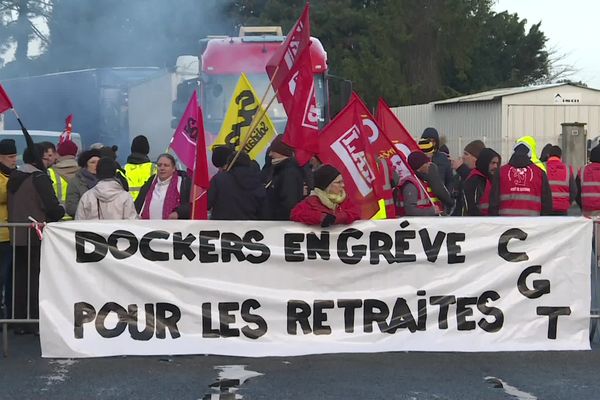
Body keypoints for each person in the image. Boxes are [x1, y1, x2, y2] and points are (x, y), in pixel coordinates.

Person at [8, 143, 64, 334]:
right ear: (38, 158)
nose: (49, 159)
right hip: (35, 234)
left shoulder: (15, 176)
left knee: (19, 279)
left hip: (17, 234)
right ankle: (34, 320)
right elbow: (52, 208)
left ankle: (19, 321)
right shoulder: (39, 178)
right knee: (36, 279)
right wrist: (60, 211)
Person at [489, 143, 552, 216]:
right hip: (532, 224)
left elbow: (493, 202)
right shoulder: (539, 173)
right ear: (529, 156)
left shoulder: (501, 172)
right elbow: (547, 203)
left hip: (506, 224)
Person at [291, 165, 360, 226]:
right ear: (327, 186)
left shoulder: (346, 200)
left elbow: (356, 213)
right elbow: (295, 215)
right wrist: (321, 217)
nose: (343, 185)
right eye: (338, 182)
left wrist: (337, 218)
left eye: (342, 181)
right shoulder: (311, 202)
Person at [208, 152, 265, 220]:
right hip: (249, 226)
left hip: (222, 226)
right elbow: (263, 208)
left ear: (229, 162)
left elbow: (207, 203)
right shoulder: (258, 181)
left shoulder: (218, 179)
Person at [135, 153, 191, 219]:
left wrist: (178, 213)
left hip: (174, 227)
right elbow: (137, 206)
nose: (162, 168)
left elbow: (192, 205)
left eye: (166, 165)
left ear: (173, 168)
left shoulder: (183, 183)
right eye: (159, 165)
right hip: (148, 227)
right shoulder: (150, 183)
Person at [262, 135, 304, 220]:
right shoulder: (280, 170)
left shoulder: (289, 173)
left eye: (273, 151)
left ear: (282, 152)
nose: (270, 154)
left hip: (280, 226)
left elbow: (289, 204)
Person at [394, 151, 442, 216]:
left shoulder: (421, 181)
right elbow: (410, 211)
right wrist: (432, 211)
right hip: (413, 224)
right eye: (426, 162)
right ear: (420, 165)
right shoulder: (410, 185)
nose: (429, 164)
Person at [0, 139, 16, 319]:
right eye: (10, 157)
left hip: (12, 234)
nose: (14, 160)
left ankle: (11, 315)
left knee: (12, 279)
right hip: (2, 234)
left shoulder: (13, 174)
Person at [452, 140, 486, 215]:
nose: (463, 157)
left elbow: (473, 181)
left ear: (475, 158)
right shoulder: (460, 176)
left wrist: (460, 169)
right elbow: (459, 205)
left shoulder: (482, 176)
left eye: (466, 154)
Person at [463, 148, 500, 216]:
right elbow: (471, 207)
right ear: (485, 162)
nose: (495, 166)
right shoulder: (475, 180)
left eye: (497, 163)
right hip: (479, 222)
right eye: (493, 163)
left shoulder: (491, 179)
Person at [65, 149, 101, 217]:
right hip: (84, 223)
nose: (96, 165)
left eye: (99, 162)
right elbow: (71, 208)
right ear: (85, 165)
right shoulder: (75, 182)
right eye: (92, 162)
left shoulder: (105, 181)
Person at [48, 138, 80, 209]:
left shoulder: (49, 172)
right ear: (75, 153)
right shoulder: (83, 173)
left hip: (56, 217)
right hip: (78, 216)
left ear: (58, 153)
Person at [421, 127, 453, 193]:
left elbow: (450, 180)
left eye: (433, 141)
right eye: (428, 140)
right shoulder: (418, 157)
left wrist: (448, 194)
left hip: (441, 198)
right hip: (425, 196)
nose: (431, 143)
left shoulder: (443, 158)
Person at [546, 145, 575, 216]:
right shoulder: (567, 169)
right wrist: (567, 202)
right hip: (562, 208)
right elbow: (573, 190)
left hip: (546, 207)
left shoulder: (543, 167)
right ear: (560, 156)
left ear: (548, 155)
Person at [124, 135, 155, 201]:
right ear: (147, 149)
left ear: (132, 148)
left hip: (128, 207)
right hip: (147, 207)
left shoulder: (123, 169)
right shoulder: (154, 169)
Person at [577, 144, 600, 217]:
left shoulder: (583, 170)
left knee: (589, 228)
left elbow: (576, 191)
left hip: (587, 210)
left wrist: (582, 206)